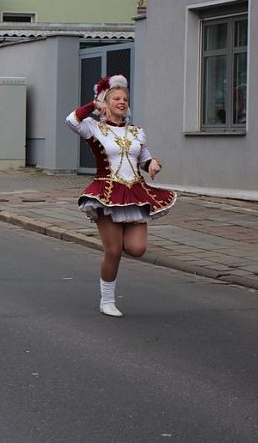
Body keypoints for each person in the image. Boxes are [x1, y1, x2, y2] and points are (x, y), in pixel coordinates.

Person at [65, 75, 176, 318]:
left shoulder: (137, 132)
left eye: (125, 98)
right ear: (105, 101)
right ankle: (107, 300)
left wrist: (153, 164)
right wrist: (92, 107)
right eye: (116, 98)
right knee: (113, 251)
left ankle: (121, 237)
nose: (122, 101)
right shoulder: (94, 128)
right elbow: (71, 120)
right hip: (106, 194)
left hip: (135, 192)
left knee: (137, 248)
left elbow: (144, 158)